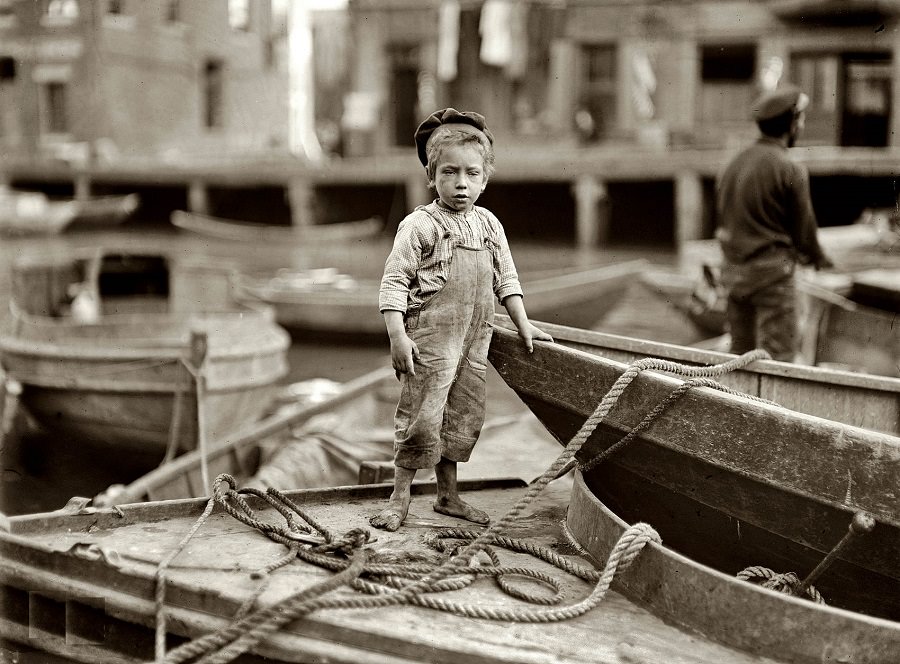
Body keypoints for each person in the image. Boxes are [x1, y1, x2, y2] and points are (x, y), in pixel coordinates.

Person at [371, 108, 552, 532]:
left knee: (463, 415)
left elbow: (506, 277)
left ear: (485, 179)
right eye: (450, 173)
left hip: (475, 339)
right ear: (432, 176)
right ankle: (399, 498)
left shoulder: (489, 224)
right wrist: (397, 335)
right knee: (422, 416)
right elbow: (394, 282)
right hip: (431, 338)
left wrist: (522, 322)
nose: (461, 183)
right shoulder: (420, 224)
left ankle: (448, 496)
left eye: (471, 174)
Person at [715, 84, 834, 362]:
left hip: (734, 278)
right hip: (773, 282)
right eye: (800, 119)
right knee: (778, 361)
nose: (802, 125)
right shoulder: (790, 168)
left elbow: (724, 218)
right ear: (791, 124)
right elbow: (804, 233)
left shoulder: (732, 165)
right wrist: (820, 259)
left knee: (739, 359)